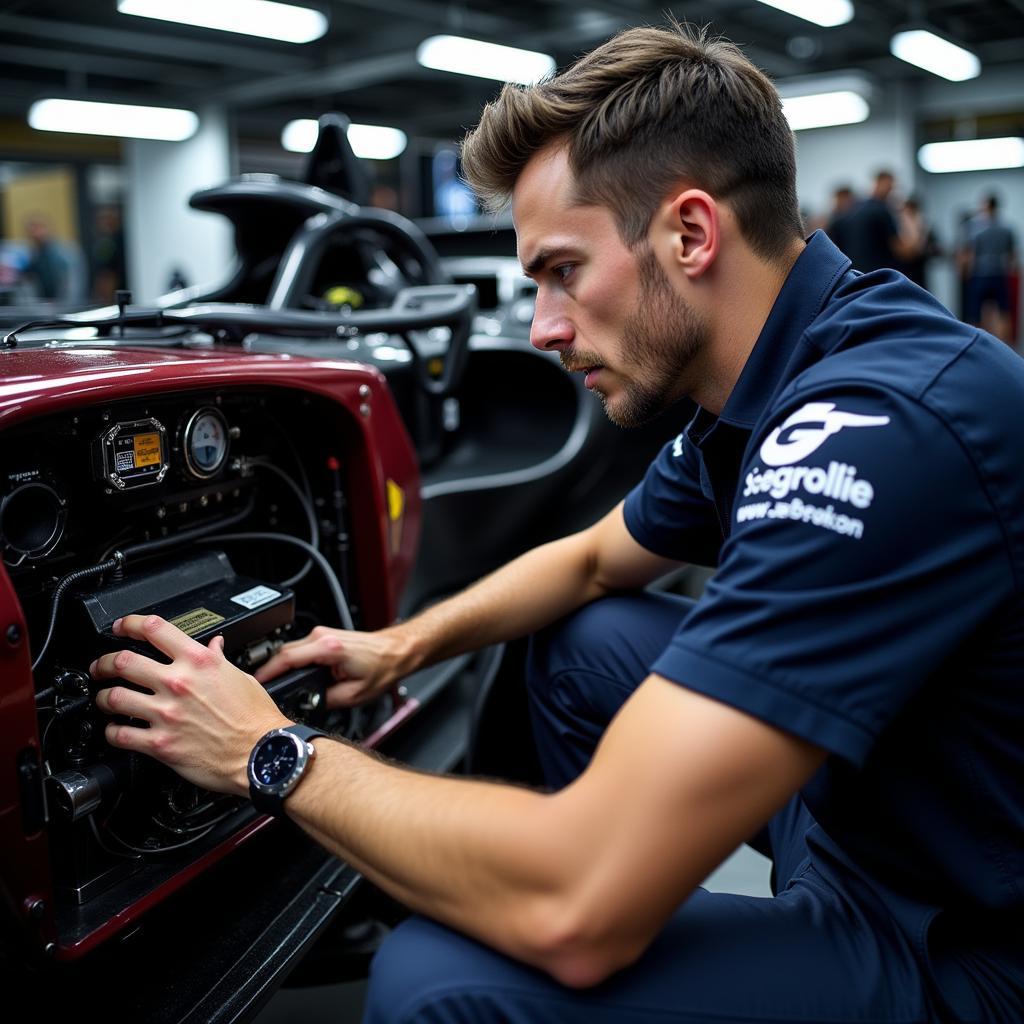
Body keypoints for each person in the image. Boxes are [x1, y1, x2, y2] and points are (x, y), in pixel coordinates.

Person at [89, 23, 1024, 1023]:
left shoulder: (871, 429)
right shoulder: (772, 372)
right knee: (578, 641)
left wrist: (266, 750)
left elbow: (574, 902)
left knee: (433, 983)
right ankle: (646, 914)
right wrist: (398, 644)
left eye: (562, 270)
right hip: (881, 806)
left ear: (691, 234)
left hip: (961, 941)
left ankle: (619, 907)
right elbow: (588, 562)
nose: (540, 326)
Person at [962, 194, 1018, 345]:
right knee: (1003, 312)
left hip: (980, 274)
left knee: (977, 314)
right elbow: (1012, 256)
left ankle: (979, 346)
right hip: (999, 273)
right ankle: (1005, 347)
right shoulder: (1007, 229)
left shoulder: (976, 228)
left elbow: (970, 253)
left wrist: (966, 272)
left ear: (987, 206)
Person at [841, 170, 906, 273]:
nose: (891, 189)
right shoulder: (881, 210)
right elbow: (901, 250)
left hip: (857, 271)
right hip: (879, 273)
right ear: (879, 182)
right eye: (890, 185)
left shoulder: (856, 208)